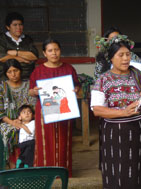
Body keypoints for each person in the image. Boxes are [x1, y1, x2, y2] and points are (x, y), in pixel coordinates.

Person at [91, 34, 141, 188]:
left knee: (138, 169)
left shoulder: (140, 77)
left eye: (128, 54)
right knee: (116, 170)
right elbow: (97, 110)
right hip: (114, 134)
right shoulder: (103, 80)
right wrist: (123, 113)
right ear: (111, 58)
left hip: (138, 131)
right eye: (120, 55)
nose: (125, 59)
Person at [29, 39, 80, 177]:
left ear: (60, 51)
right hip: (45, 110)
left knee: (64, 139)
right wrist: (34, 91)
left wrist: (75, 89)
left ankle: (63, 172)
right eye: (50, 50)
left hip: (64, 108)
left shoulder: (69, 68)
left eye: (56, 49)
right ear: (45, 53)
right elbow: (31, 91)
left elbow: (77, 86)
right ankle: (44, 173)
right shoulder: (38, 70)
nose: (54, 53)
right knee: (45, 141)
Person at [0, 59, 36, 169]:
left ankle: (29, 166)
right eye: (9, 72)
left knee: (32, 129)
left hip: (28, 119)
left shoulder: (28, 86)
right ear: (6, 74)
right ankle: (12, 168)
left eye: (15, 70)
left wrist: (23, 120)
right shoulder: (2, 87)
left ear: (20, 71)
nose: (13, 74)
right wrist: (13, 122)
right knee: (10, 132)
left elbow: (33, 106)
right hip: (8, 121)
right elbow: (0, 111)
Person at [0, 12, 39, 80]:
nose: (18, 27)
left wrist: (16, 52)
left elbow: (34, 56)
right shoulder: (2, 39)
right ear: (8, 27)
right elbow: (2, 58)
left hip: (27, 76)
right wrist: (22, 59)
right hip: (6, 78)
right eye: (15, 25)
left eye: (20, 24)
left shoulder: (27, 39)